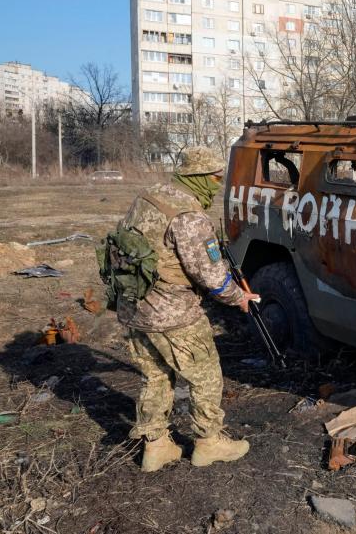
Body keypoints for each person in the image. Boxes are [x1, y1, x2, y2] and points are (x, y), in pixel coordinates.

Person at [114, 146, 260, 472]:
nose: (218, 184)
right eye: (216, 178)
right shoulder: (189, 216)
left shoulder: (150, 196)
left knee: (155, 375)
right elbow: (209, 275)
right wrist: (238, 298)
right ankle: (208, 442)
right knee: (205, 373)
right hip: (171, 312)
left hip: (133, 305)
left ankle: (156, 447)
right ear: (202, 177)